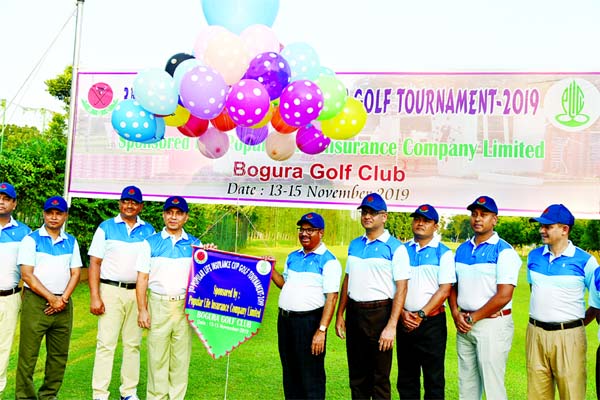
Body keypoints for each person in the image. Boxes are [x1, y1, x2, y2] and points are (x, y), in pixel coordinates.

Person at [136, 196, 215, 400]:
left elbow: (205, 275)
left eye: (178, 213)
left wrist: (210, 255)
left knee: (180, 358)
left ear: (185, 217)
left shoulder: (195, 244)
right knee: (157, 358)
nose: (173, 217)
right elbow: (142, 279)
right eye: (169, 212)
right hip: (158, 304)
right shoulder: (149, 243)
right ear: (164, 215)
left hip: (183, 306)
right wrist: (143, 309)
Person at [335, 193, 410, 400]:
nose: (367, 216)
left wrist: (392, 325)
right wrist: (340, 314)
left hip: (380, 314)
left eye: (373, 213)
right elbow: (348, 279)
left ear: (384, 217)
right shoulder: (354, 245)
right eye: (364, 212)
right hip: (355, 313)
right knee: (357, 376)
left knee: (379, 377)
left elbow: (402, 288)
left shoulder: (396, 248)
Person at [449, 195, 522, 400]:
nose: (477, 219)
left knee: (493, 387)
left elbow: (504, 295)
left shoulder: (504, 251)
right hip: (464, 324)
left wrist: (473, 317)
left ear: (495, 219)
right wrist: (456, 313)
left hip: (492, 325)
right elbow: (453, 286)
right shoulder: (462, 249)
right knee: (467, 385)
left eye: (484, 214)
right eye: (474, 214)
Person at [526, 204, 600, 399]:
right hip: (535, 334)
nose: (542, 230)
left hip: (570, 337)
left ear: (565, 229)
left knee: (571, 393)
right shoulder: (534, 256)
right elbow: (534, 290)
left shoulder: (586, 261)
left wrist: (574, 326)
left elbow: (597, 303)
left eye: (548, 226)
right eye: (541, 226)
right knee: (537, 394)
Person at [88, 185, 155, 400]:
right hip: (110, 291)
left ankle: (128, 392)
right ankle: (100, 393)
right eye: (126, 201)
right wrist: (95, 296)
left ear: (141, 207)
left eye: (134, 202)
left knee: (132, 344)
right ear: (120, 203)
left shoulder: (149, 231)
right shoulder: (106, 227)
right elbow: (95, 263)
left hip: (137, 293)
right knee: (105, 344)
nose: (129, 205)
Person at [15, 196, 83, 400]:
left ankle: (48, 395)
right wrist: (51, 298)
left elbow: (76, 273)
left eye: (58, 213)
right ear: (44, 214)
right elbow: (27, 275)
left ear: (65, 216)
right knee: (28, 356)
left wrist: (62, 299)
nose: (54, 217)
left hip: (63, 303)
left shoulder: (71, 241)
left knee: (58, 356)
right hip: (36, 302)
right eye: (50, 213)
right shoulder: (31, 240)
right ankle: (25, 397)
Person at [271, 212, 342, 400]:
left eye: (310, 230)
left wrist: (321, 330)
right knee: (290, 372)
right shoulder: (293, 256)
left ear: (321, 232)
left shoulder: (329, 261)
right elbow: (284, 284)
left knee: (311, 375)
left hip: (309, 323)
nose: (304, 234)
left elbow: (332, 298)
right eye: (302, 230)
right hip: (286, 321)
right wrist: (270, 270)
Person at [397, 204, 455, 400]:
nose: (420, 223)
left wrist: (421, 314)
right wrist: (403, 312)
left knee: (434, 379)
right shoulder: (401, 251)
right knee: (406, 378)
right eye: (417, 219)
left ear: (435, 226)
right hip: (404, 321)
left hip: (432, 324)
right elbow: (395, 287)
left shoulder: (444, 253)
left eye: (426, 221)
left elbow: (445, 289)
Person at [0, 182, 31, 397]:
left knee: (3, 347)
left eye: (6, 198)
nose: (1, 201)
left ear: (14, 203)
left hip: (9, 297)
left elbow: (29, 268)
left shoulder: (25, 233)